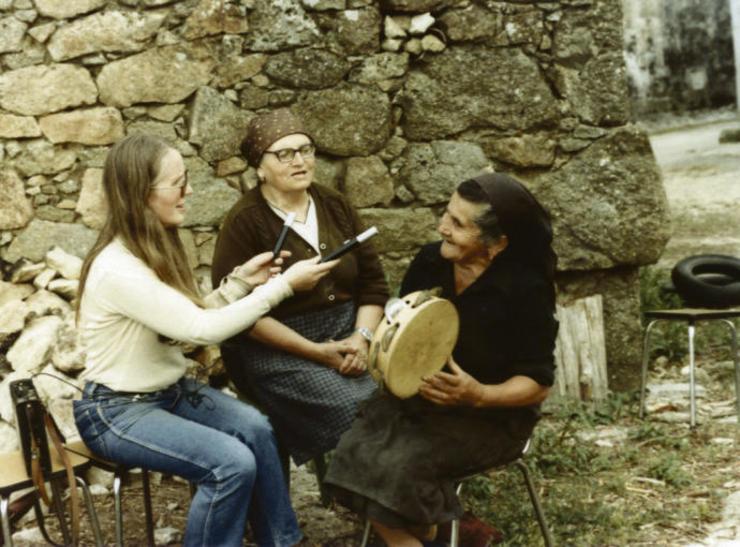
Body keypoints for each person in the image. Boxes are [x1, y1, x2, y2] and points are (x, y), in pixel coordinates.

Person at [72, 134, 338, 547]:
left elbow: (177, 326)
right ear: (143, 193)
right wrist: (283, 286)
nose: (189, 191)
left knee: (255, 428)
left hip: (167, 394)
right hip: (116, 411)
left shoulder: (148, 248)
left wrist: (240, 284)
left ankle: (283, 541)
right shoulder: (118, 269)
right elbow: (200, 330)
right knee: (229, 465)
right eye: (178, 184)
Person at [324, 173, 559, 546]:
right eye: (445, 214)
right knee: (352, 450)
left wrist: (478, 394)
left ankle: (427, 533)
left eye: (457, 224)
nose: (442, 227)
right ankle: (442, 531)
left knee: (400, 467)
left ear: (496, 243)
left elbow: (538, 383)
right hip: (420, 401)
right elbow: (404, 333)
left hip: (491, 417)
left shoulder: (525, 289)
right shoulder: (431, 260)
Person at [211, 108, 389, 465]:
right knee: (358, 409)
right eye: (284, 154)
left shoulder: (333, 205)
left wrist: (361, 338)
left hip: (348, 334)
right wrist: (317, 352)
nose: (300, 161)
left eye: (305, 150)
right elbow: (239, 317)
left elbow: (373, 284)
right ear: (259, 167)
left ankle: (393, 505)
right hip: (278, 349)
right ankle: (373, 502)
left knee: (401, 396)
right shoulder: (245, 221)